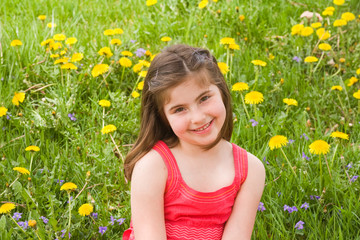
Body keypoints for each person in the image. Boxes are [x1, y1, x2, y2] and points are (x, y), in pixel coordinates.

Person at [123, 44, 265, 240]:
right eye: (179, 109)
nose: (198, 117)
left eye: (204, 98)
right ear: (163, 117)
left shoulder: (250, 170)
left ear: (222, 92)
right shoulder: (153, 167)